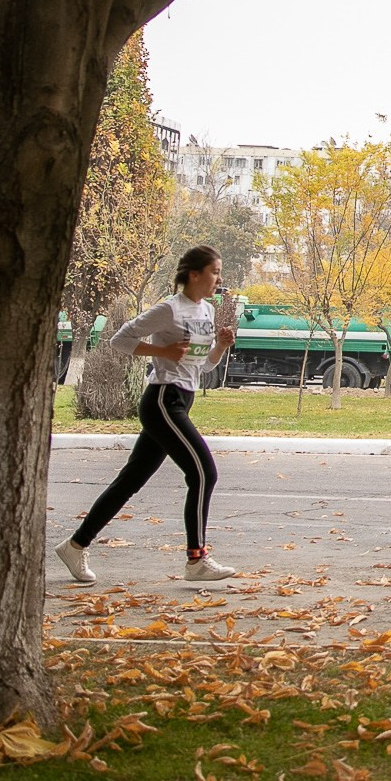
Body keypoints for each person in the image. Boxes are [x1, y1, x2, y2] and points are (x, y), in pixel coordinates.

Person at [55, 247, 241, 584]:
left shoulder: (206, 310)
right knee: (203, 474)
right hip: (162, 400)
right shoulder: (169, 309)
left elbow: (200, 366)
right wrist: (161, 351)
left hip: (183, 398)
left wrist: (220, 347)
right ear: (194, 274)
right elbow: (119, 339)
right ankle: (196, 560)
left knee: (130, 481)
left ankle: (75, 545)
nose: (219, 278)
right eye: (215, 271)